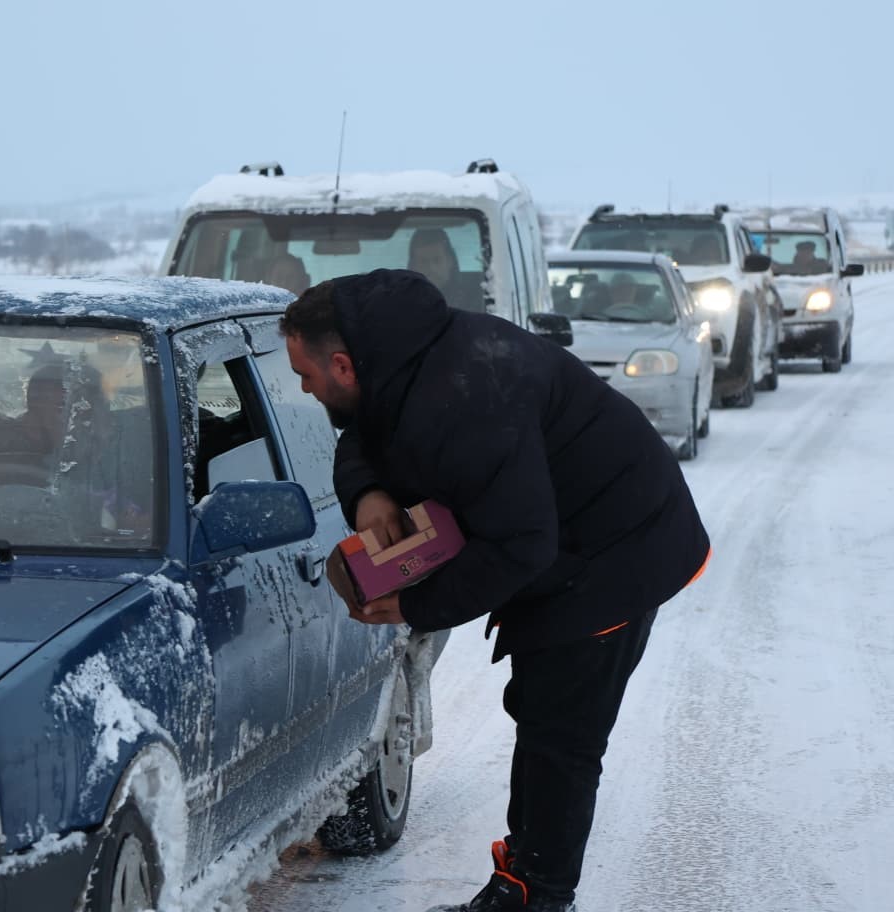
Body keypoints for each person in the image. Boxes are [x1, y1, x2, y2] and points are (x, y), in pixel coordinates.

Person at [279, 269, 711, 912]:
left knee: (559, 729)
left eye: (307, 378)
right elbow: (362, 434)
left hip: (617, 550)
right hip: (565, 535)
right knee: (541, 708)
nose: (306, 390)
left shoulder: (459, 401)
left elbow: (520, 545)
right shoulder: (404, 364)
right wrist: (369, 494)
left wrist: (419, 605)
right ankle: (523, 884)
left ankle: (537, 896)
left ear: (342, 364)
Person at [409, 228, 484, 313]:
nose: (431, 268)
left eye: (437, 260)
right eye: (423, 261)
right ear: (413, 266)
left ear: (450, 262)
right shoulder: (402, 301)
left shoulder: (477, 299)